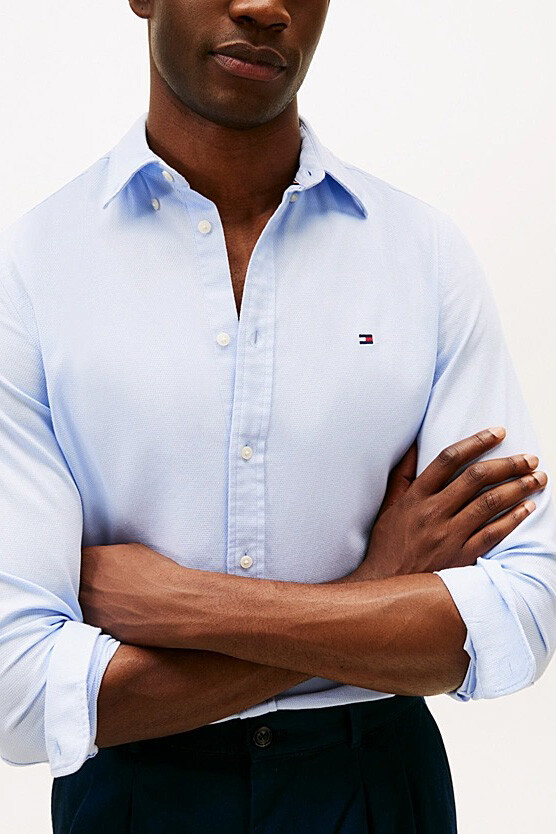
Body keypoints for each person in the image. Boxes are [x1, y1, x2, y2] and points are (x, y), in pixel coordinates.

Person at [0, 0, 555, 831]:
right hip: (136, 795)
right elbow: (21, 693)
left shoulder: (424, 254)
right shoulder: (32, 269)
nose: (264, 6)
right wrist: (375, 591)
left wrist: (184, 604)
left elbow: (518, 618)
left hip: (377, 786)